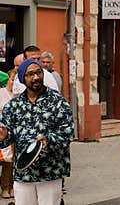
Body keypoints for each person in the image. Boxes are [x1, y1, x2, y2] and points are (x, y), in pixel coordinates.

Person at [0, 59, 74, 205]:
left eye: (38, 72)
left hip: (50, 172)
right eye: (30, 74)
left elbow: (68, 133)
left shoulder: (58, 101)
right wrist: (4, 136)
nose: (35, 77)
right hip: (23, 174)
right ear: (22, 78)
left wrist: (49, 139)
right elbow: (8, 137)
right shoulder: (13, 106)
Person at [0, 69, 16, 199]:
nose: (13, 83)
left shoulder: (18, 96)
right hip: (2, 132)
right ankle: (4, 187)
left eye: (16, 80)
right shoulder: (1, 93)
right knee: (6, 160)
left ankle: (12, 187)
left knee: (13, 162)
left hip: (16, 132)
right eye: (12, 80)